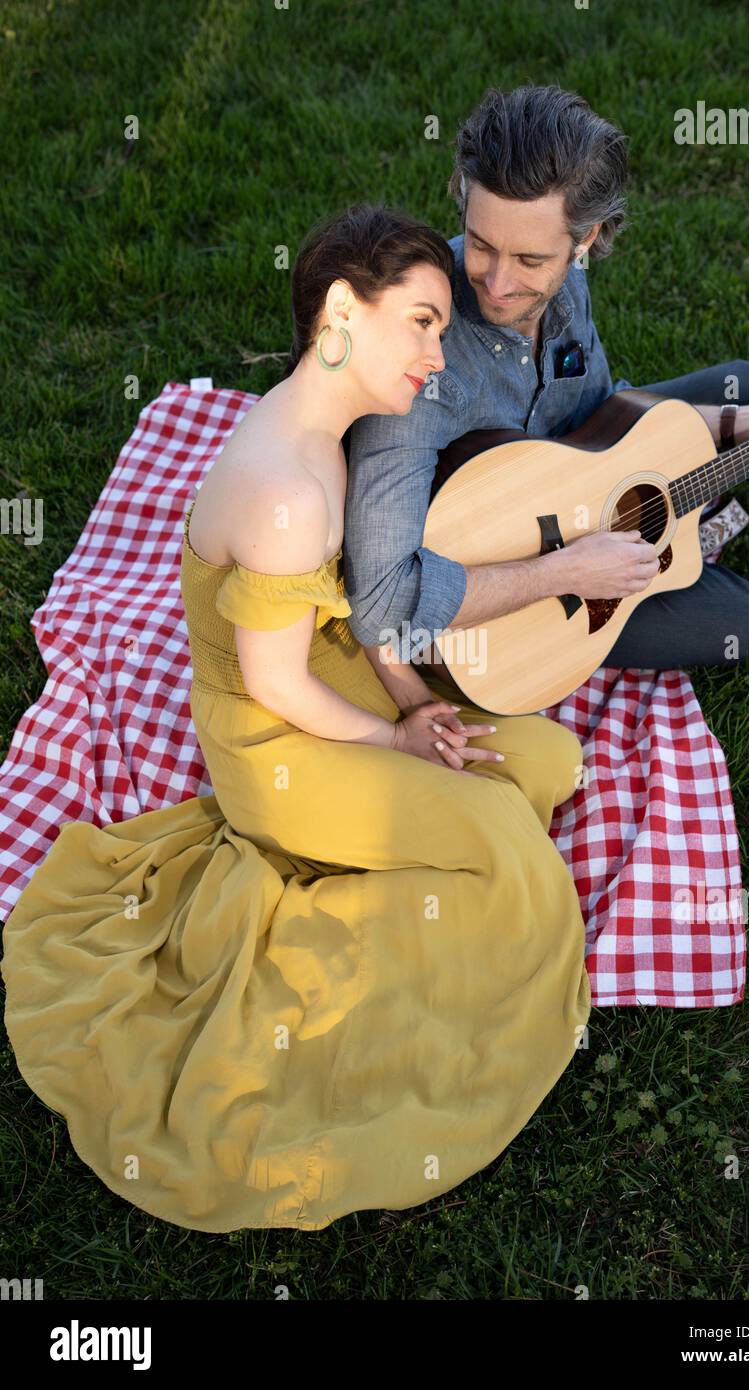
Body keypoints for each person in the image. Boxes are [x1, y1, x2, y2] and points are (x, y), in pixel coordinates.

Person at [1, 204, 592, 1234]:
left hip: (328, 672)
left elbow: (363, 598)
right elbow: (274, 690)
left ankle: (419, 812)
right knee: (508, 853)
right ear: (339, 314)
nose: (436, 348)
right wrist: (396, 738)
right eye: (419, 320)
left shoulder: (338, 425)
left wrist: (415, 697)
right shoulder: (282, 494)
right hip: (277, 745)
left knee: (536, 751)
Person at [342, 84, 749, 684]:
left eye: (531, 260)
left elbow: (606, 427)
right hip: (501, 599)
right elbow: (379, 603)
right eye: (481, 244)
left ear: (585, 241)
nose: (498, 282)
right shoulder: (417, 351)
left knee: (741, 388)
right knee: (745, 619)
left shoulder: (568, 287)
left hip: (568, 487)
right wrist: (563, 574)